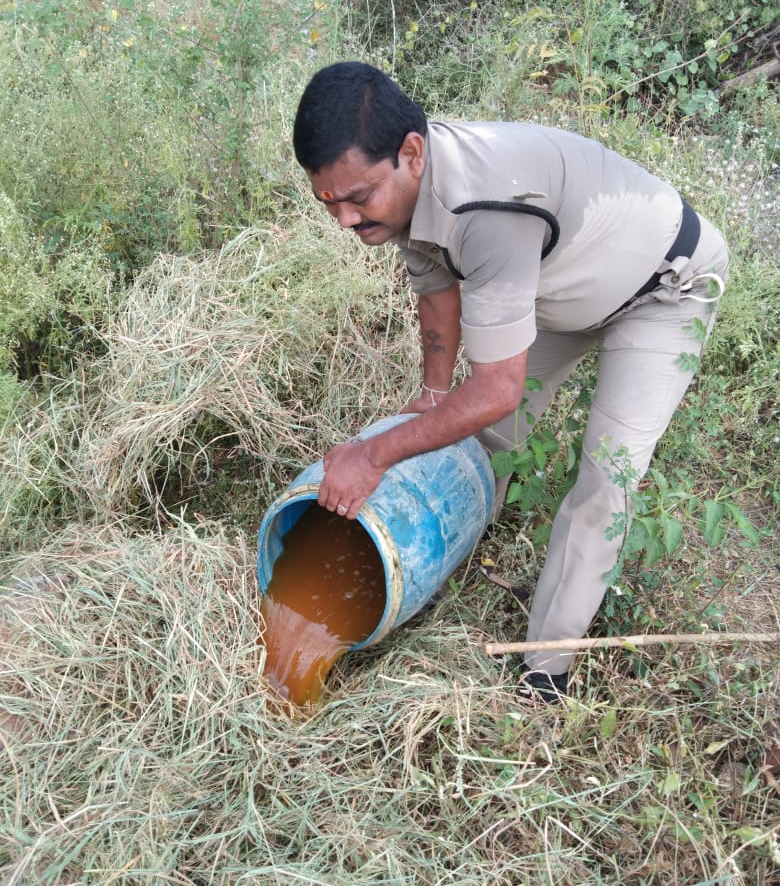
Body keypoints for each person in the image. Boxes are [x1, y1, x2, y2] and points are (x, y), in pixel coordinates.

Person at [292, 61, 729, 701]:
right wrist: (435, 395)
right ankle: (447, 547)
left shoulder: (486, 209)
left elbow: (496, 387)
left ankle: (544, 670)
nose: (345, 221)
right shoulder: (407, 191)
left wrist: (373, 453)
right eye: (328, 202)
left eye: (358, 198)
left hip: (665, 286)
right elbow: (437, 290)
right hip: (562, 282)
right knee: (489, 439)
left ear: (411, 153)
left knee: (604, 481)